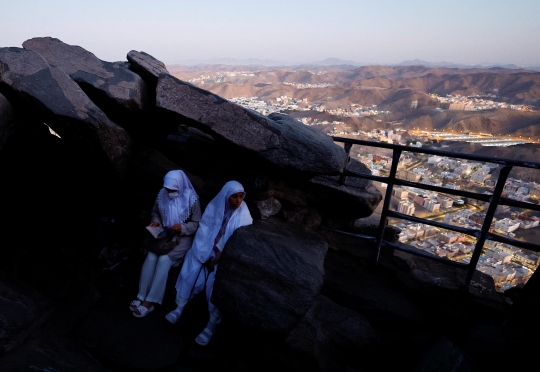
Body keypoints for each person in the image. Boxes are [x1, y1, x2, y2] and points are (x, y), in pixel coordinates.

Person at [165, 180, 252, 346]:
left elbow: (236, 241)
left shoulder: (244, 214)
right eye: (234, 196)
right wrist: (204, 254)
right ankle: (180, 307)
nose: (238, 200)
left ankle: (211, 325)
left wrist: (216, 259)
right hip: (205, 250)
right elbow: (204, 230)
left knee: (215, 284)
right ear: (226, 196)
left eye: (241, 196)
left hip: (224, 257)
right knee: (192, 270)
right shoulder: (215, 206)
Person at [130, 170, 202, 318]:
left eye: (173, 190)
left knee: (164, 260)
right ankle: (140, 295)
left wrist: (182, 228)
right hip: (164, 234)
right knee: (150, 256)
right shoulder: (162, 194)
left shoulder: (191, 199)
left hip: (182, 238)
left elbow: (197, 223)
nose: (170, 192)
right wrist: (156, 220)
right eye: (168, 189)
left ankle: (150, 302)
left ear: (180, 186)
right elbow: (156, 211)